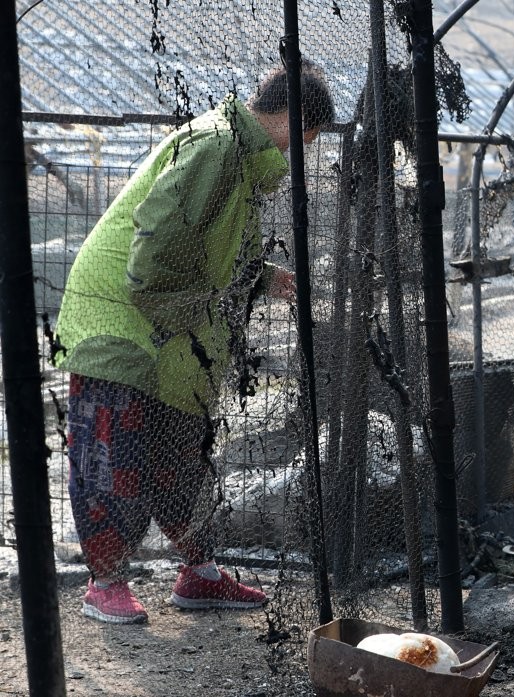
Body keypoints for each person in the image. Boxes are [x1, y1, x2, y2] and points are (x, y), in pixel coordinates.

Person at [53, 61, 335, 624]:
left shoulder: (242, 161)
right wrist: (186, 317)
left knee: (183, 450)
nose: (307, 148)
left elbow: (210, 248)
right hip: (126, 325)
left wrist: (260, 278)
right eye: (312, 135)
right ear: (298, 120)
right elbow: (157, 245)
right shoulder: (216, 145)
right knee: (115, 455)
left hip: (173, 335)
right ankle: (104, 582)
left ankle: (199, 574)